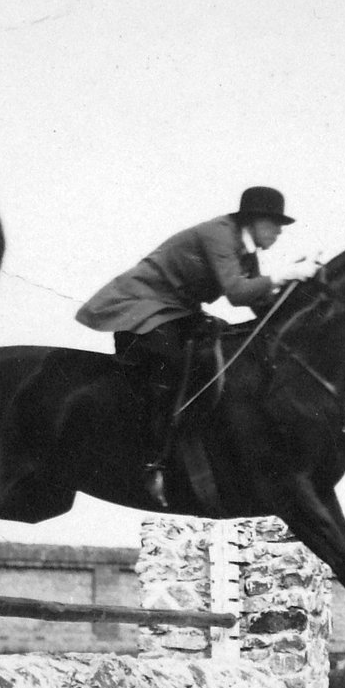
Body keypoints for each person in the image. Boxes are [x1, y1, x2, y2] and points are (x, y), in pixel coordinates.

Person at [76, 186, 316, 504]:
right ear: (254, 221)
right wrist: (283, 275)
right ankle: (152, 463)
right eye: (274, 224)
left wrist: (295, 291)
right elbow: (236, 292)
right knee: (171, 364)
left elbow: (257, 303)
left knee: (218, 351)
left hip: (176, 309)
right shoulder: (218, 235)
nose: (279, 233)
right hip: (141, 304)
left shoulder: (247, 251)